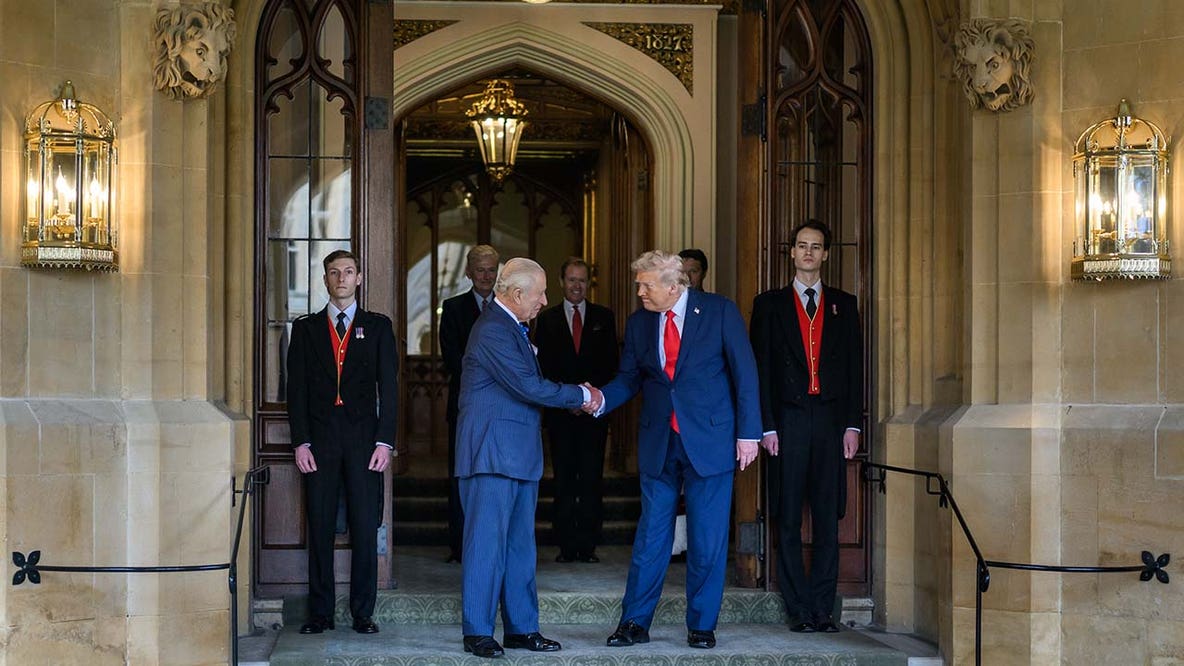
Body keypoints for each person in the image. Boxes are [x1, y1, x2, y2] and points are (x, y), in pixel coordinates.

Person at [594, 250, 761, 650]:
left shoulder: (719, 311)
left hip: (710, 441)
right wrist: (598, 399)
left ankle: (701, 625)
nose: (639, 292)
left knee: (707, 538)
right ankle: (634, 622)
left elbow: (745, 372)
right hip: (659, 443)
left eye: (645, 285)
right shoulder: (639, 324)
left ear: (673, 286)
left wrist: (749, 434)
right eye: (639, 284)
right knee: (651, 536)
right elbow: (629, 378)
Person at [455, 258, 604, 659]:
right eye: (539, 293)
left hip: (517, 454)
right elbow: (527, 385)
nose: (545, 300)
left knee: (521, 546)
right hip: (491, 454)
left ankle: (522, 628)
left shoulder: (514, 326)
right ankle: (478, 631)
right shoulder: (493, 329)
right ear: (517, 294)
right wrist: (582, 395)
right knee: (486, 546)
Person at [749, 220, 863, 634]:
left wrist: (853, 425)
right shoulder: (769, 305)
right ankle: (798, 607)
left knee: (828, 517)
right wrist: (765, 426)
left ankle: (821, 608)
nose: (808, 253)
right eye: (801, 246)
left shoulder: (844, 305)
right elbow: (759, 371)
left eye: (816, 246)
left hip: (831, 422)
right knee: (788, 516)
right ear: (792, 253)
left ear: (825, 254)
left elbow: (854, 369)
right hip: (788, 421)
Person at [286, 249, 397, 636]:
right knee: (319, 527)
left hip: (365, 443)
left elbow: (391, 389)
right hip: (319, 442)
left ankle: (362, 612)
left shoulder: (378, 327)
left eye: (349, 272)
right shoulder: (306, 330)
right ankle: (320, 613)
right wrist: (300, 441)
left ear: (360, 278)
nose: (342, 279)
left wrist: (386, 442)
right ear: (325, 280)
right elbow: (295, 391)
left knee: (365, 527)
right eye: (334, 273)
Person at [535, 257, 619, 564]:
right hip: (561, 415)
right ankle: (566, 545)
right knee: (565, 479)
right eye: (571, 279)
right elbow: (543, 369)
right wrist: (568, 400)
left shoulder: (604, 317)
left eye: (582, 280)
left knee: (591, 479)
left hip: (594, 416)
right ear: (561, 282)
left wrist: (590, 400)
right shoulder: (547, 320)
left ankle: (588, 545)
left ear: (588, 284)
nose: (576, 286)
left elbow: (611, 365)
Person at [439, 244, 500, 563]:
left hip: (503, 410)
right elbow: (452, 357)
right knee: (461, 475)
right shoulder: (453, 308)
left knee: (495, 478)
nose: (487, 276)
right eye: (480, 269)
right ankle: (460, 546)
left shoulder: (508, 307)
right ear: (468, 273)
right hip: (464, 406)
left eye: (492, 269)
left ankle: (490, 546)